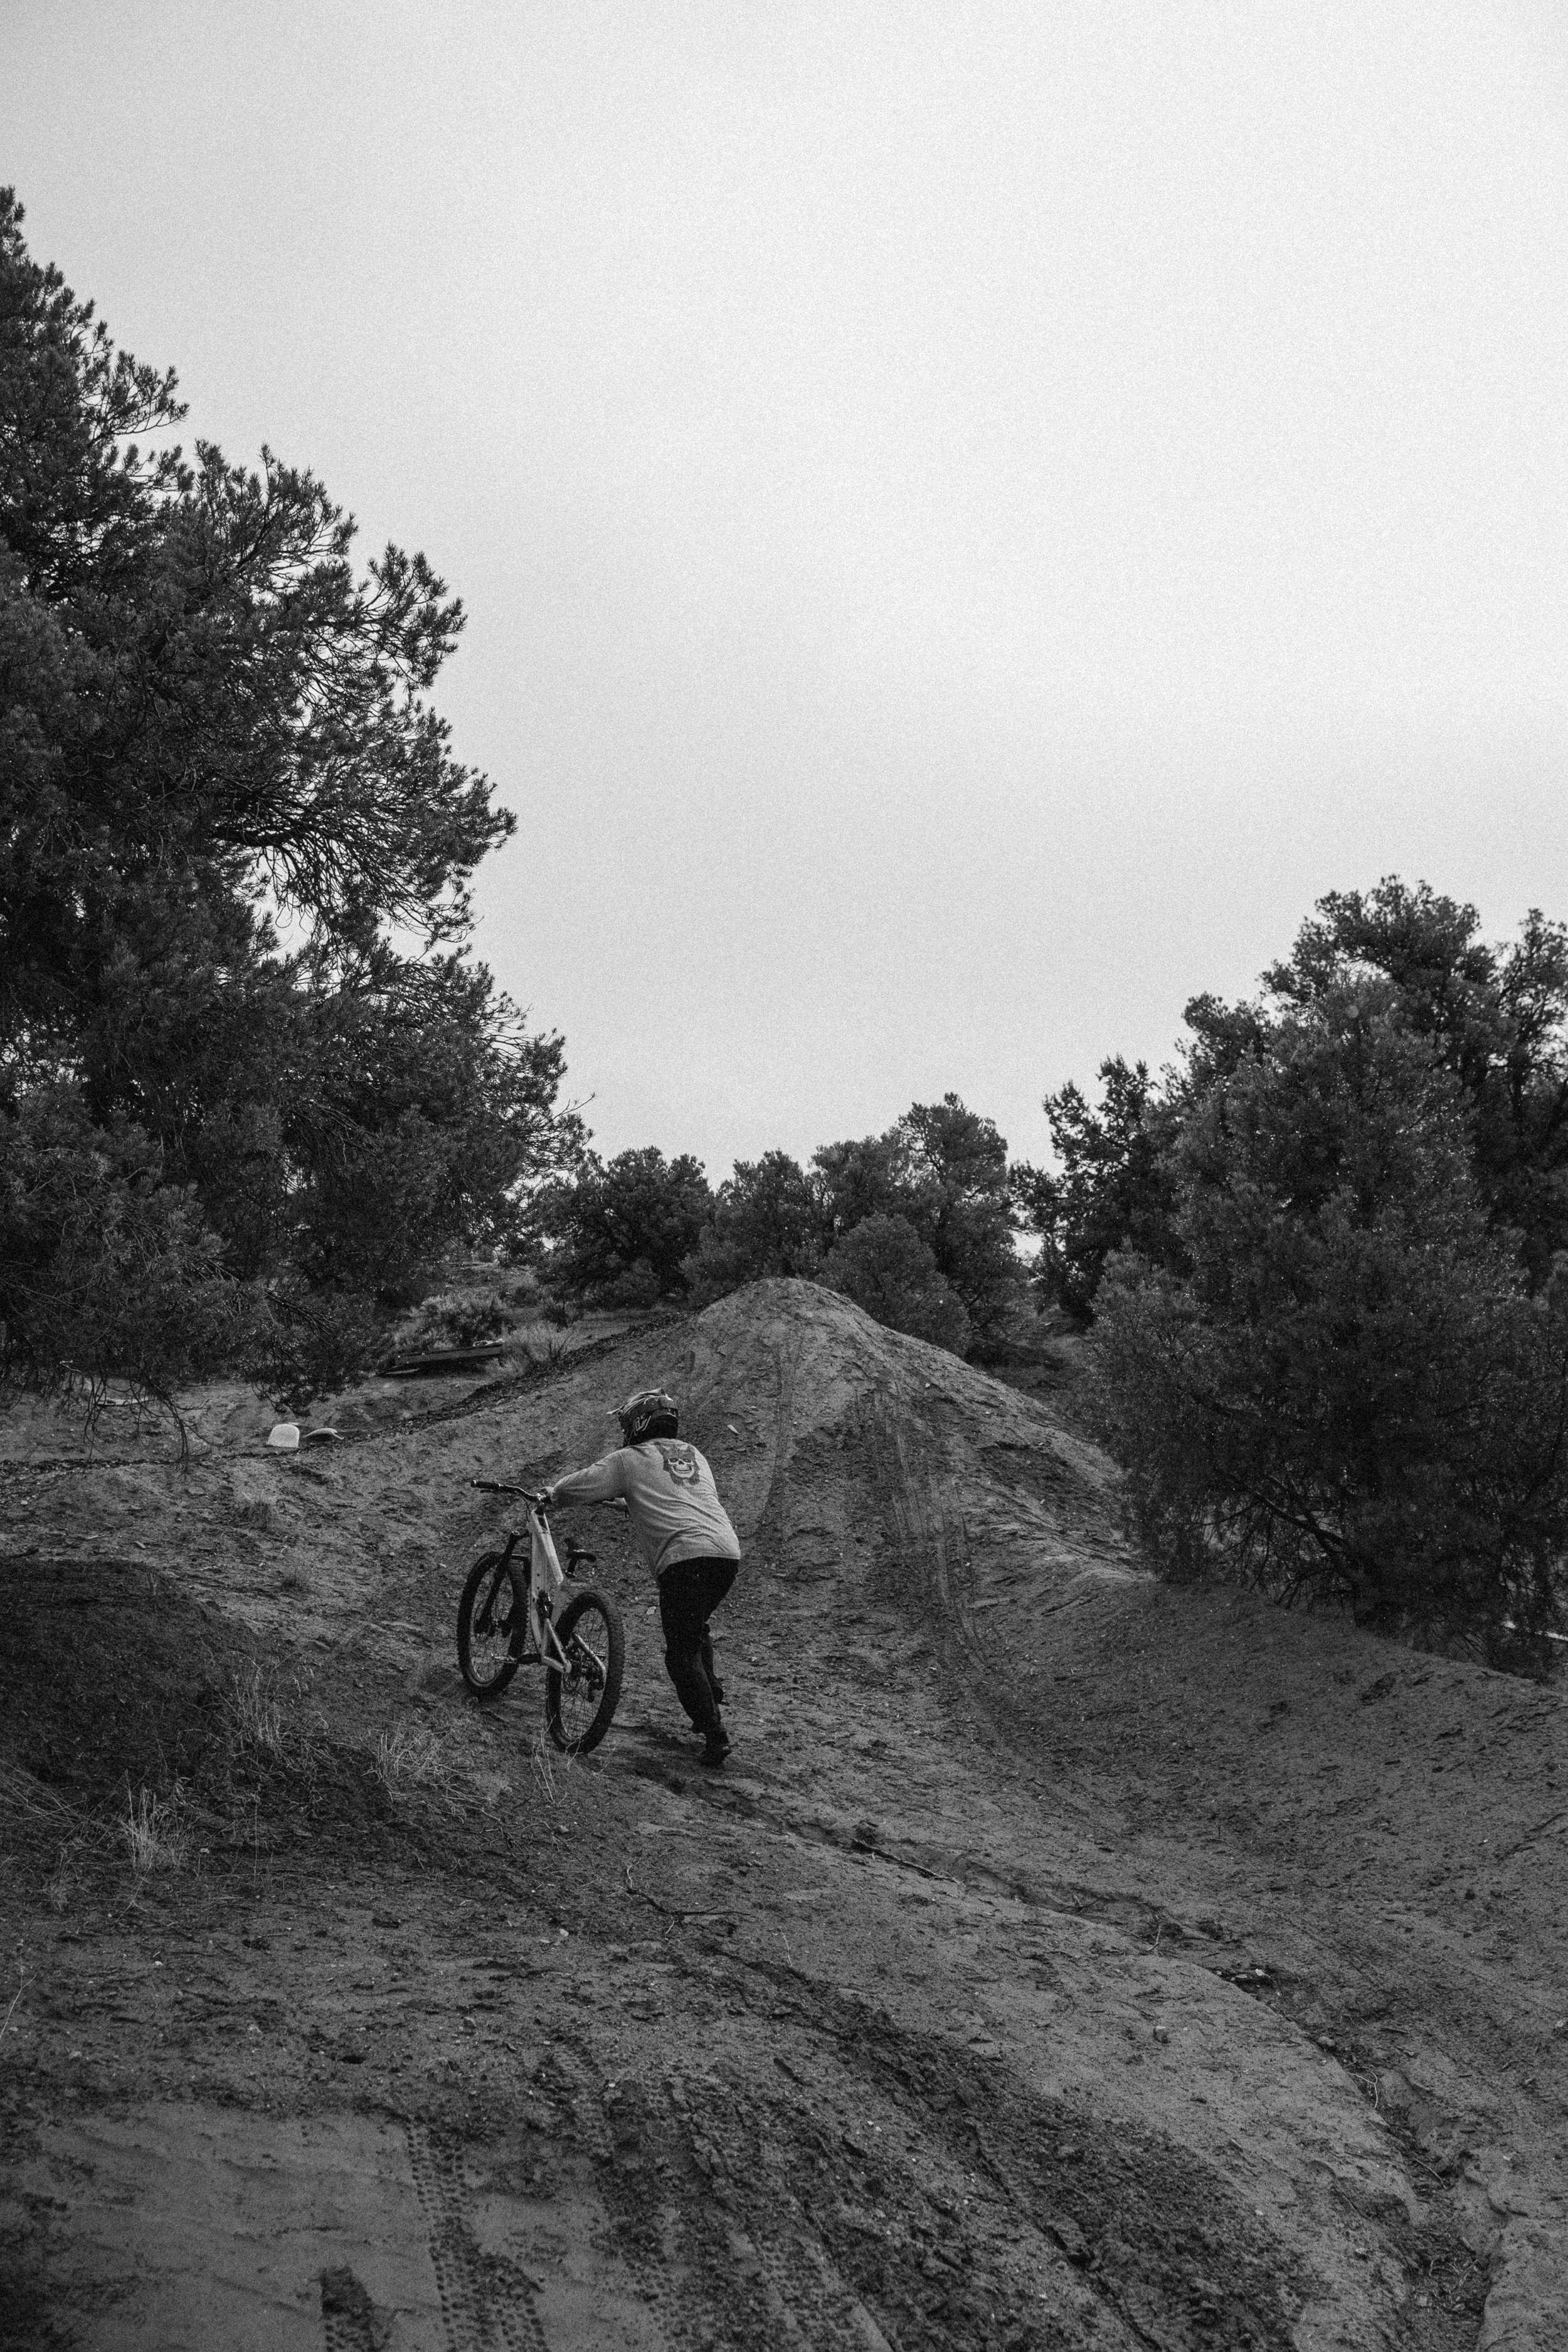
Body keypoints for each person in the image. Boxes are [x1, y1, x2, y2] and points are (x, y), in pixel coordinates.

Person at [543, 1388, 741, 1766]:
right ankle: (709, 1693)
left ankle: (715, 1735)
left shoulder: (630, 1459)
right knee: (694, 1629)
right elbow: (669, 1495)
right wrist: (625, 1501)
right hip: (725, 1553)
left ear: (637, 1424)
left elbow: (581, 1484)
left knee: (680, 1655)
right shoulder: (694, 1456)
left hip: (685, 1558)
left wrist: (554, 1494)